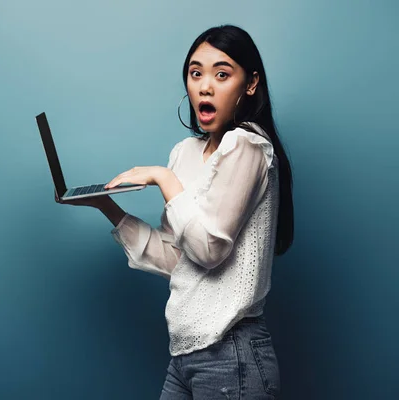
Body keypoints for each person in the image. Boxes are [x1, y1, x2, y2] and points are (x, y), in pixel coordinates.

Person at [55, 24, 294, 399]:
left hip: (233, 354)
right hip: (185, 355)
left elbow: (210, 250)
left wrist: (164, 179)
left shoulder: (248, 144)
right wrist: (106, 205)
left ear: (250, 84)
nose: (205, 86)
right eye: (196, 73)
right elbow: (179, 260)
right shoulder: (184, 153)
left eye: (222, 73)